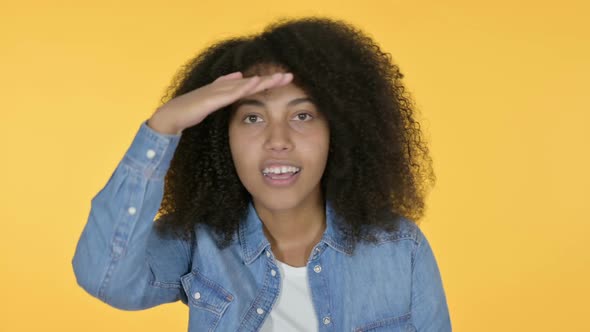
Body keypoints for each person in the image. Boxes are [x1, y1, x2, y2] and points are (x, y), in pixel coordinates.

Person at [72, 16, 452, 331]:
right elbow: (106, 278)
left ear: (340, 131)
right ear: (224, 140)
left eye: (302, 115)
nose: (278, 140)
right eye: (253, 117)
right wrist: (164, 126)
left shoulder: (402, 249)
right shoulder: (199, 244)